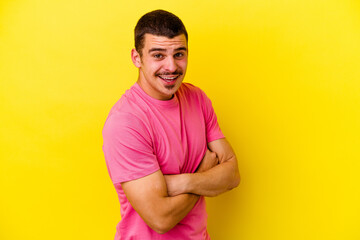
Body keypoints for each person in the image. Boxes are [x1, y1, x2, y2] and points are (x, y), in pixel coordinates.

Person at [102, 9, 240, 240]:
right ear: (137, 58)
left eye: (179, 54)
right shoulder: (126, 122)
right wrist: (204, 172)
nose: (171, 67)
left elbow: (233, 175)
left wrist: (181, 181)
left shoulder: (197, 98)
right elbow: (160, 219)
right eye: (158, 55)